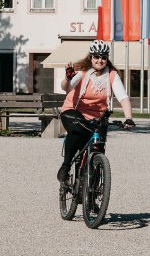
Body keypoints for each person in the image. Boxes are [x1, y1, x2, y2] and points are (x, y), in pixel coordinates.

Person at [57, 40, 135, 191]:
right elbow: (66, 88)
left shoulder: (111, 75)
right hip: (74, 111)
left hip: (98, 118)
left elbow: (123, 97)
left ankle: (92, 196)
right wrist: (67, 78)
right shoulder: (83, 71)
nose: (100, 60)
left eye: (104, 57)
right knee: (77, 132)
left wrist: (129, 118)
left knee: (98, 150)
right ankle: (65, 168)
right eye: (97, 56)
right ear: (91, 57)